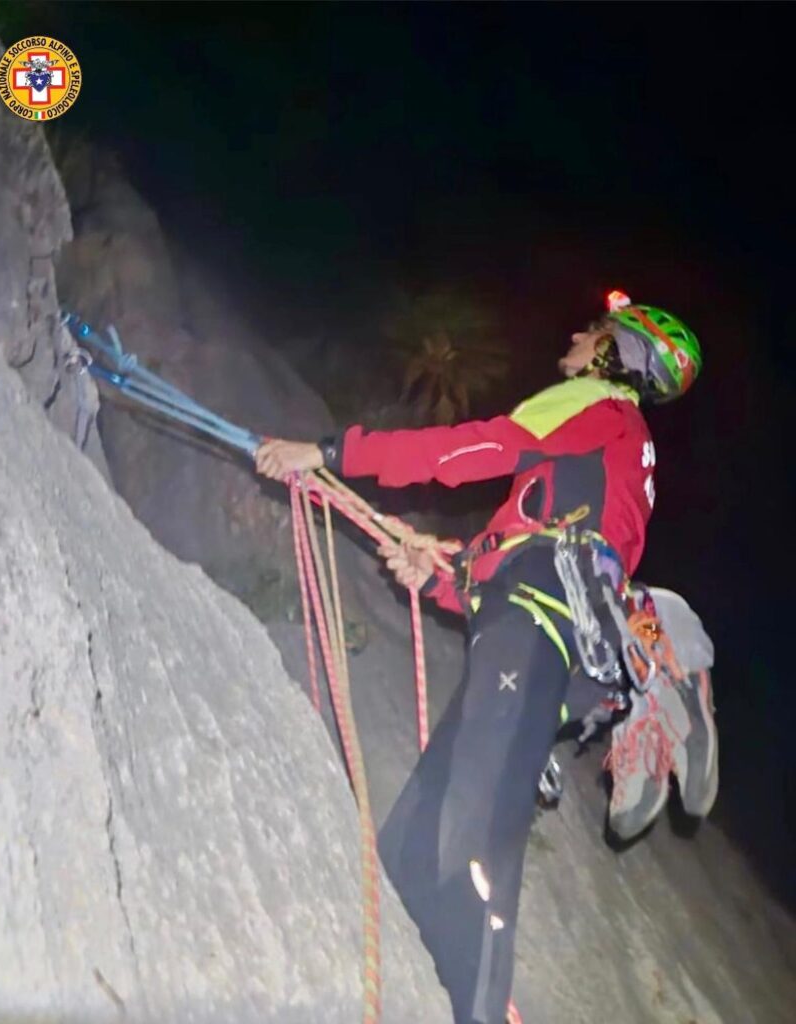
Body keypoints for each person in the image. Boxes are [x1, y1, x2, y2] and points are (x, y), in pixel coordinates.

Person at [255, 291, 715, 1024]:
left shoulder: (598, 405)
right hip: (538, 641)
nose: (576, 333)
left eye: (594, 330)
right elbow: (537, 554)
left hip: (533, 637)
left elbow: (474, 449)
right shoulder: (611, 466)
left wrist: (332, 452)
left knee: (468, 849)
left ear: (613, 354)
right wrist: (438, 578)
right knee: (413, 845)